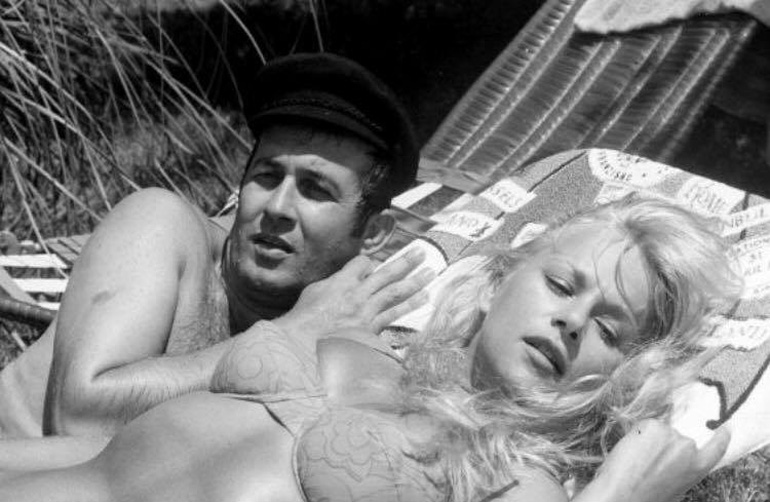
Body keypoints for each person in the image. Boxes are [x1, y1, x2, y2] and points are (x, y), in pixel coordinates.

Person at [0, 196, 742, 502]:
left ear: (625, 375)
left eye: (610, 330)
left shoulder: (513, 478)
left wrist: (614, 498)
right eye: (560, 284)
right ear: (497, 281)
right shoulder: (365, 350)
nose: (573, 322)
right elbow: (103, 459)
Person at [0, 52, 428, 438]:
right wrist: (287, 337)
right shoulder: (159, 225)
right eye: (266, 176)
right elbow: (78, 417)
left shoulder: (350, 325)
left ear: (374, 233)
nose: (277, 206)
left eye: (316, 190)